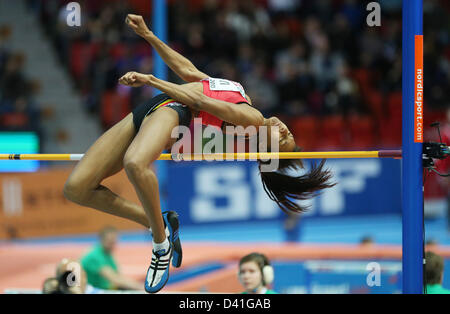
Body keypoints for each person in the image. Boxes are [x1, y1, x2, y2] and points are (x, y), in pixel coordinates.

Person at [63, 14, 336, 293]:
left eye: (281, 140)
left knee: (135, 164)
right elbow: (189, 72)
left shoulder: (251, 119)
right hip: (158, 105)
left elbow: (196, 100)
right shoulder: (245, 98)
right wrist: (148, 35)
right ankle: (159, 220)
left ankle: (160, 246)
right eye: (288, 134)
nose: (283, 130)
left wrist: (150, 79)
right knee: (76, 189)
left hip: (174, 110)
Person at [80, 226, 143, 291]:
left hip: (103, 288)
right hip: (92, 290)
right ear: (102, 240)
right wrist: (141, 287)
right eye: (110, 242)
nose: (112, 245)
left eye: (114, 241)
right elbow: (115, 279)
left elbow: (119, 276)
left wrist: (137, 284)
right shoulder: (94, 256)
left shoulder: (107, 253)